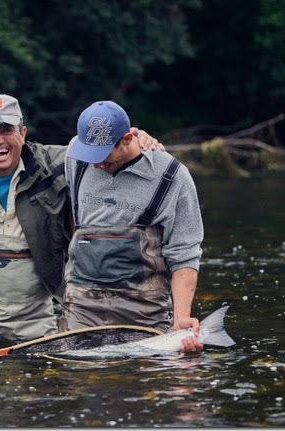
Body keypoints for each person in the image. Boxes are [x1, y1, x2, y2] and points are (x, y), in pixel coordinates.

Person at [0, 94, 160, 344]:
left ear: (22, 133)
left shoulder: (58, 165)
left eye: (6, 130)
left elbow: (102, 151)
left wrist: (136, 140)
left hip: (38, 321)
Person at [59, 100, 205, 352]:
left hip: (144, 308)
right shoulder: (76, 155)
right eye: (89, 154)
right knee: (79, 378)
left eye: (103, 155)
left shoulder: (173, 176)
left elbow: (184, 256)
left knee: (143, 384)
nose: (95, 163)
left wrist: (181, 319)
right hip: (82, 303)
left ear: (127, 138)